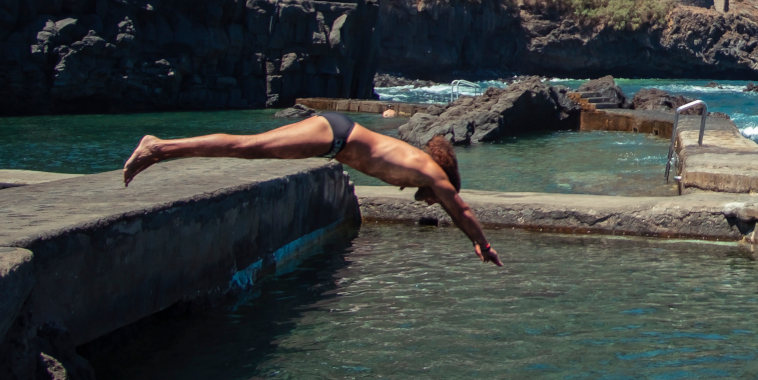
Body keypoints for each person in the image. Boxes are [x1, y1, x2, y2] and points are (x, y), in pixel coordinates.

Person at [121, 111, 501, 264]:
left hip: (333, 136)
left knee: (249, 147)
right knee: (247, 147)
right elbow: (462, 210)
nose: (433, 202)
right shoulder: (433, 174)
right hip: (333, 135)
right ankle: (160, 147)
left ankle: (162, 148)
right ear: (445, 182)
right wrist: (481, 243)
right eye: (439, 198)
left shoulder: (420, 169)